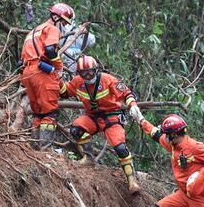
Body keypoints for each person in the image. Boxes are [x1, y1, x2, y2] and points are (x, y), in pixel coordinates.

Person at [61, 55, 143, 193]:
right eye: (83, 73)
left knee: (120, 148)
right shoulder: (77, 82)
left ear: (96, 70)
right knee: (76, 129)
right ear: (79, 73)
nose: (88, 76)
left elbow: (126, 93)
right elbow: (64, 92)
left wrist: (133, 105)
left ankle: (132, 180)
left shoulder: (107, 79)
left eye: (91, 72)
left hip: (111, 117)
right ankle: (88, 158)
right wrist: (55, 75)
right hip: (92, 117)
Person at [136, 114, 204, 207]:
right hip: (183, 195)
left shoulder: (194, 147)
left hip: (199, 198)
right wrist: (140, 119)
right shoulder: (173, 145)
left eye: (167, 134)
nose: (165, 137)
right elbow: (155, 134)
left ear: (175, 135)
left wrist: (202, 174)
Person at [19, 3, 74, 149]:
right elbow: (50, 50)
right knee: (50, 112)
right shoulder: (52, 29)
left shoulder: (34, 31)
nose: (63, 25)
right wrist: (59, 66)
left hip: (27, 73)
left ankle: (35, 149)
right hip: (41, 73)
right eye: (63, 22)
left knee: (38, 113)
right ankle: (46, 151)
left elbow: (21, 59)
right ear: (56, 17)